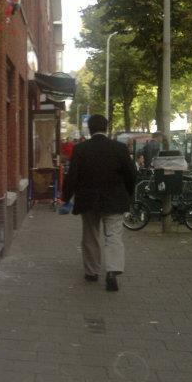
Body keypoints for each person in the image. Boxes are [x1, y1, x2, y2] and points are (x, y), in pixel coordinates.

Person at [62, 114, 137, 292]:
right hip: (115, 200)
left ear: (90, 129)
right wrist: (128, 194)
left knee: (90, 235)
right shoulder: (119, 148)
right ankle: (112, 271)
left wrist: (66, 197)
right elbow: (131, 174)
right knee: (114, 236)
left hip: (88, 201)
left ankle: (92, 272)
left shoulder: (81, 149)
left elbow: (72, 176)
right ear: (106, 128)